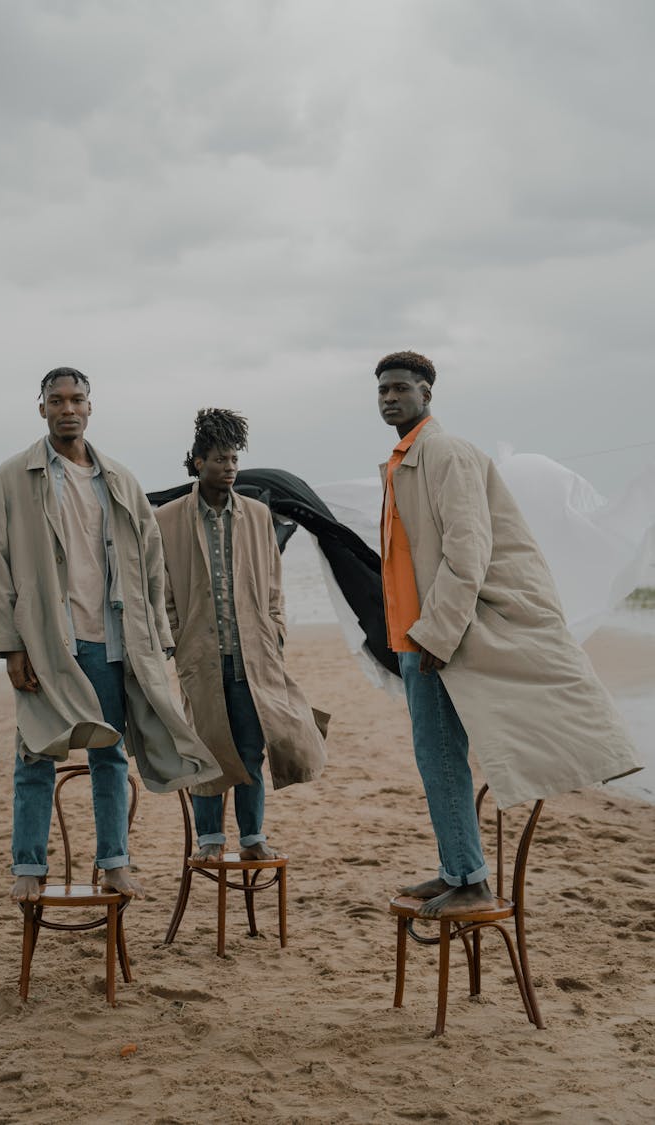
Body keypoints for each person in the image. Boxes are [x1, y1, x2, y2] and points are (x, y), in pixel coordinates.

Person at [376, 350, 641, 918]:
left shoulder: (445, 452)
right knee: (437, 758)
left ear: (427, 394)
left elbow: (467, 552)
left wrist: (434, 635)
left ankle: (471, 881)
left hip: (436, 636)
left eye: (401, 388)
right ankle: (459, 869)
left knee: (447, 756)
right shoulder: (406, 459)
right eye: (383, 391)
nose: (390, 398)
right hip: (414, 634)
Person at [0, 367, 221, 904]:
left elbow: (152, 564)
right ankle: (27, 865)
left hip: (114, 642)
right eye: (57, 400)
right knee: (35, 753)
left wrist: (157, 638)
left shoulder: (119, 479)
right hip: (48, 644)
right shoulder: (12, 478)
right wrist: (9, 646)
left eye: (78, 399)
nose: (68, 408)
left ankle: (114, 862)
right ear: (41, 408)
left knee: (111, 755)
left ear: (91, 407)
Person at [154, 408, 327, 862]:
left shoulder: (256, 514)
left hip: (254, 654)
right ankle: (210, 842)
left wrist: (276, 633)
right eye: (218, 459)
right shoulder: (167, 519)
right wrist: (177, 637)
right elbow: (160, 588)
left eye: (233, 459)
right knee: (206, 749)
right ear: (197, 462)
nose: (228, 467)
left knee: (253, 747)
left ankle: (252, 840)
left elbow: (274, 584)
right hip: (201, 655)